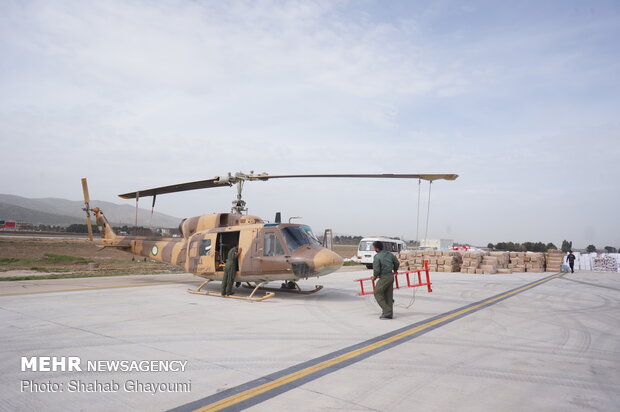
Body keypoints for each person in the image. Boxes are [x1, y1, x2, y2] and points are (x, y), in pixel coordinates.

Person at [372, 241, 399, 319]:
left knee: (377, 293)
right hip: (391, 276)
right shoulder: (390, 254)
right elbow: (397, 263)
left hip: (384, 277)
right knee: (388, 295)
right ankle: (389, 314)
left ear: (377, 248)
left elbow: (376, 269)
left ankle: (387, 311)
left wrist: (374, 276)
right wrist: (395, 270)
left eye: (374, 248)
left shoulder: (377, 256)